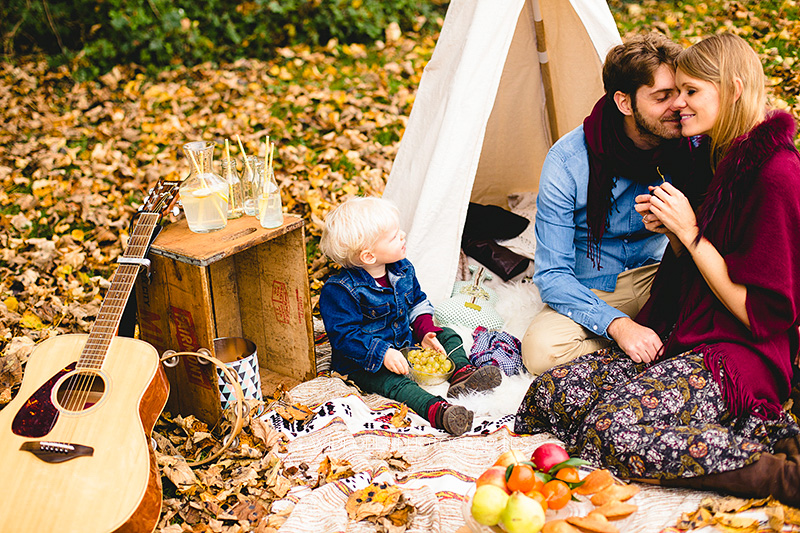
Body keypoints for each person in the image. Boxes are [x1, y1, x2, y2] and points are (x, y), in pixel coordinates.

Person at [514, 33, 800, 506]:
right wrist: (675, 233)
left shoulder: (777, 173)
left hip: (736, 352)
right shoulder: (711, 154)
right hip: (683, 326)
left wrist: (688, 233)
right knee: (549, 396)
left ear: (732, 89)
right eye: (672, 93)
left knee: (610, 432)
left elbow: (764, 315)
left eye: (690, 92)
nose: (679, 106)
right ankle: (708, 426)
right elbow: (699, 261)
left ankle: (779, 474)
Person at [522, 32, 710, 375]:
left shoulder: (691, 145)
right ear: (624, 103)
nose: (679, 105)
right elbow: (552, 276)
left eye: (681, 93)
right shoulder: (567, 162)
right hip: (596, 287)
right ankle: (653, 342)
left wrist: (675, 231)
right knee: (540, 351)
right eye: (662, 96)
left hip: (665, 272)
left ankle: (652, 341)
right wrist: (619, 327)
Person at [318, 196, 502, 436]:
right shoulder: (340, 290)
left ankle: (461, 373)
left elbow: (417, 301)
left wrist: (425, 331)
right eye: (394, 236)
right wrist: (382, 353)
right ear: (369, 256)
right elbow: (345, 337)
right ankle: (436, 410)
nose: (403, 235)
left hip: (404, 342)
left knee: (447, 334)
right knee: (395, 384)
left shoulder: (402, 268)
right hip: (364, 362)